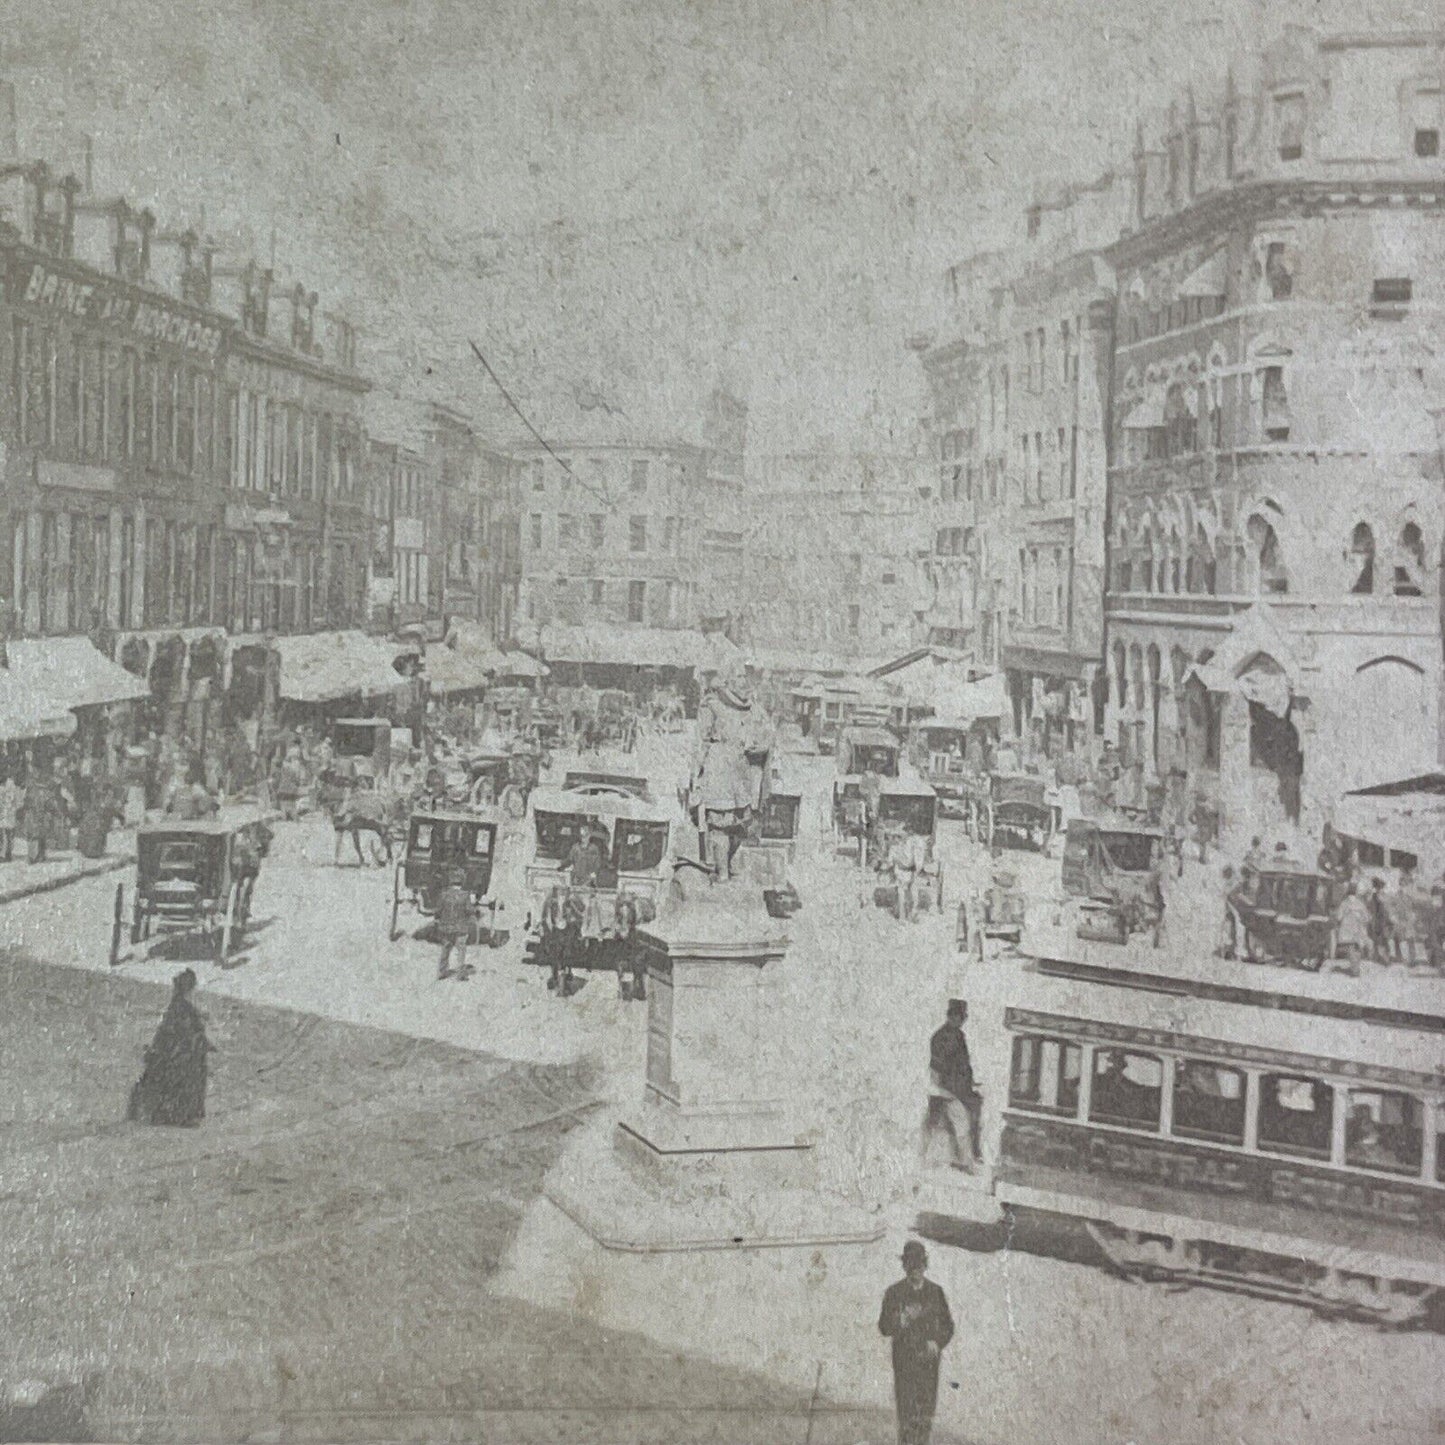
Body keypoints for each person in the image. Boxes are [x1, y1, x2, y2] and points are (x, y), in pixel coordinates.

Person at [878, 1240, 955, 1445]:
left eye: (919, 1265)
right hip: (904, 1364)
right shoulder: (893, 1293)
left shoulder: (936, 1292)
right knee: (906, 1417)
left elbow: (948, 1326)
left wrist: (937, 1343)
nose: (915, 1269)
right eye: (910, 1265)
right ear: (904, 1266)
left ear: (925, 1265)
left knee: (925, 1416)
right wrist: (899, 1321)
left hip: (928, 1365)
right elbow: (883, 1327)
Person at [127, 968, 214, 1127]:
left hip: (173, 1052)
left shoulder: (177, 1007)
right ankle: (181, 1115)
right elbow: (186, 1033)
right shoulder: (184, 1009)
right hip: (180, 1056)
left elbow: (167, 1033)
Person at [921, 1000, 981, 1170]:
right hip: (946, 1090)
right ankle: (966, 1162)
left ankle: (931, 1159)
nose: (960, 1020)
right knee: (956, 1123)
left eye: (962, 1018)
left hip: (956, 1090)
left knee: (938, 1124)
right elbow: (936, 1067)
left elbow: (963, 1065)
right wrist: (939, 1089)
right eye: (957, 1017)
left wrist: (970, 1083)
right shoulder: (941, 1037)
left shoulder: (959, 1036)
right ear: (950, 1016)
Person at [435, 867, 474, 981]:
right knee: (461, 950)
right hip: (460, 928)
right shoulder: (465, 895)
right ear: (462, 882)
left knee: (445, 948)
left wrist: (438, 919)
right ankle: (460, 974)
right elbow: (469, 910)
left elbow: (438, 910)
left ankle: (442, 972)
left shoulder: (444, 894)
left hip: (446, 927)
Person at [1334, 881, 1372, 975]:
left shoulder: (1344, 903)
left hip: (1347, 931)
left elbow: (1338, 917)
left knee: (1351, 949)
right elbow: (1366, 918)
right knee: (1357, 949)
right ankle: (1356, 968)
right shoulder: (1360, 904)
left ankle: (1354, 969)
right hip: (1358, 931)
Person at [0, 768, 20, 862]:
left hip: (9, 813)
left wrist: (13, 808)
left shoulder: (11, 785)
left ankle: (8, 854)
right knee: (3, 834)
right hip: (2, 813)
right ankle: (3, 854)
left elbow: (16, 800)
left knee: (8, 834)